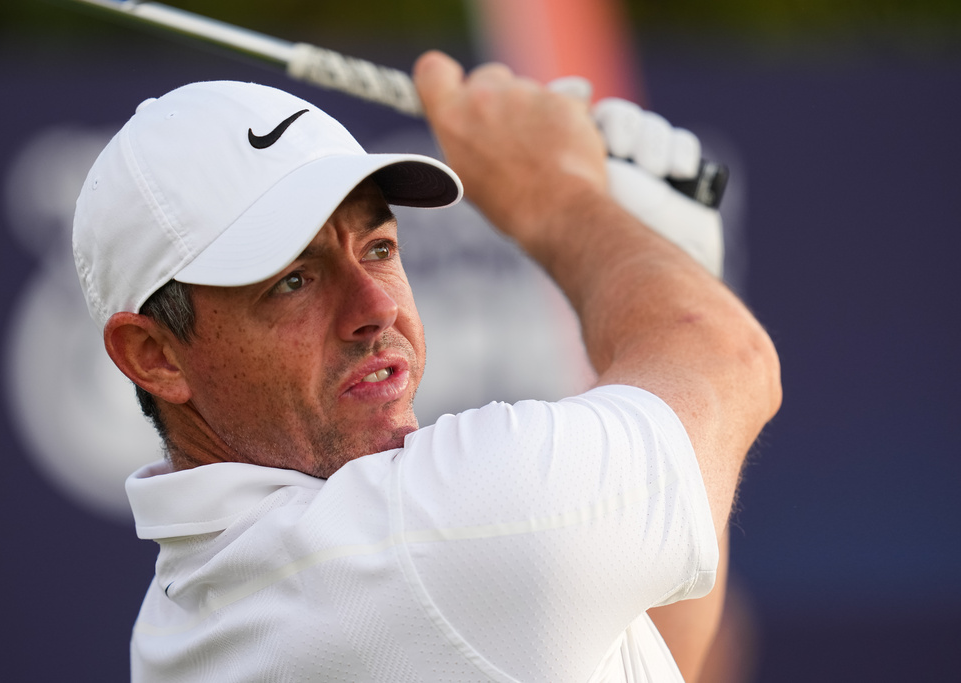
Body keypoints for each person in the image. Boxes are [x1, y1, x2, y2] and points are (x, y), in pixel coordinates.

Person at [73, 51, 781, 683]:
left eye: (378, 246)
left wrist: (663, 264)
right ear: (154, 355)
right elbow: (729, 358)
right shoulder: (429, 540)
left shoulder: (176, 610)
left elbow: (628, 646)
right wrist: (559, 194)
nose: (376, 307)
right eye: (293, 279)